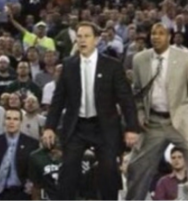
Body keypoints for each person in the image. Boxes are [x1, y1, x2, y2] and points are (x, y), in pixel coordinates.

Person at [45, 21, 139, 200]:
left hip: (104, 126)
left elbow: (126, 99)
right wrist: (49, 126)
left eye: (87, 36)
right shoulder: (69, 65)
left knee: (109, 170)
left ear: (96, 40)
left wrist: (132, 128)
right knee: (68, 171)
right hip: (77, 126)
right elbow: (58, 100)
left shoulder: (112, 65)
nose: (82, 40)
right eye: (79, 36)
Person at [126, 23, 188, 201]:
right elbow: (138, 94)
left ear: (169, 37)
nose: (156, 37)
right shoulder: (140, 60)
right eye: (153, 33)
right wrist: (140, 114)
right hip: (154, 121)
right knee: (135, 165)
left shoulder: (185, 58)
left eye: (161, 33)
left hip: (181, 118)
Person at [0, 107, 40, 200]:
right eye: (8, 118)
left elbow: (35, 174)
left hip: (22, 194)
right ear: (4, 121)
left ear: (21, 122)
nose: (11, 122)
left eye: (15, 119)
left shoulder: (32, 144)